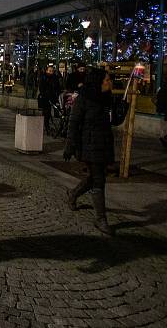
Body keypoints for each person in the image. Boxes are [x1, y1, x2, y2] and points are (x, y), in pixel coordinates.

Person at [64, 68, 116, 236]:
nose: (110, 82)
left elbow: (114, 120)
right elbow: (73, 122)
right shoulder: (84, 98)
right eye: (107, 80)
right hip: (89, 143)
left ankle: (73, 193)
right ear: (98, 82)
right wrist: (70, 146)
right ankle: (101, 218)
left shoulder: (107, 98)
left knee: (96, 177)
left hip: (104, 143)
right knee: (99, 179)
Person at [38, 64, 61, 132]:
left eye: (52, 71)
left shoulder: (55, 78)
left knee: (56, 111)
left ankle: (50, 125)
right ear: (46, 71)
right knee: (46, 112)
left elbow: (57, 87)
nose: (51, 72)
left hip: (53, 97)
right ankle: (46, 125)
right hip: (46, 97)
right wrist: (44, 95)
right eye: (49, 71)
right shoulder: (43, 77)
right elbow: (41, 88)